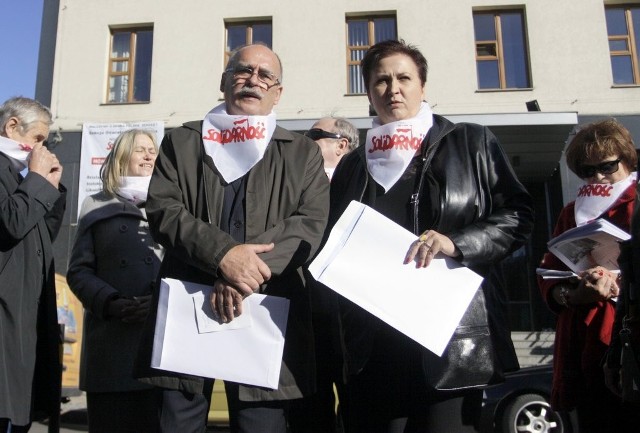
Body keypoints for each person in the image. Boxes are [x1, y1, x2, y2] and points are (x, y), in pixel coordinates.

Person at [328, 39, 534, 433]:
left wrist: (458, 243)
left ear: (423, 86)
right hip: (374, 346)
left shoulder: (471, 143)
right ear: (369, 92)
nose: (393, 89)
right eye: (381, 81)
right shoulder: (354, 164)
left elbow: (518, 216)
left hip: (449, 342)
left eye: (404, 78)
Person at [134, 43, 329, 433]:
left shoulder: (302, 152)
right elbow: (163, 210)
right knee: (176, 424)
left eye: (264, 75)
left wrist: (244, 275)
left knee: (261, 424)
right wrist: (223, 256)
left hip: (265, 310)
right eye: (242, 71)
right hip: (187, 309)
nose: (252, 80)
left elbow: (310, 224)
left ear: (278, 92)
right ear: (224, 81)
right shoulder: (183, 142)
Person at [538, 119, 638, 433]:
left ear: (626, 160)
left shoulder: (636, 203)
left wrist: (619, 281)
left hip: (627, 337)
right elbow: (548, 272)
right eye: (587, 171)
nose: (598, 177)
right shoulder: (571, 211)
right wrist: (571, 294)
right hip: (581, 338)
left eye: (607, 167)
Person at [66, 129, 162, 433]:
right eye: (140, 150)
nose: (149, 155)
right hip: (111, 343)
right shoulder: (95, 204)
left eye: (152, 150)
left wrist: (158, 302)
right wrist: (110, 303)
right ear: (121, 156)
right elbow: (79, 271)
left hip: (159, 341)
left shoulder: (171, 205)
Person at [0, 97, 66, 432]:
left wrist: (50, 184)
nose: (39, 148)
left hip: (26, 312)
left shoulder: (18, 175)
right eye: (38, 139)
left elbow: (40, 234)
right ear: (12, 126)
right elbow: (10, 223)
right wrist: (38, 179)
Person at [303, 117, 358, 432]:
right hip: (310, 316)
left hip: (353, 317)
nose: (307, 140)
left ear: (342, 145)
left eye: (316, 135)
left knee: (359, 410)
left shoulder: (365, 184)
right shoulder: (298, 184)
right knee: (313, 411)